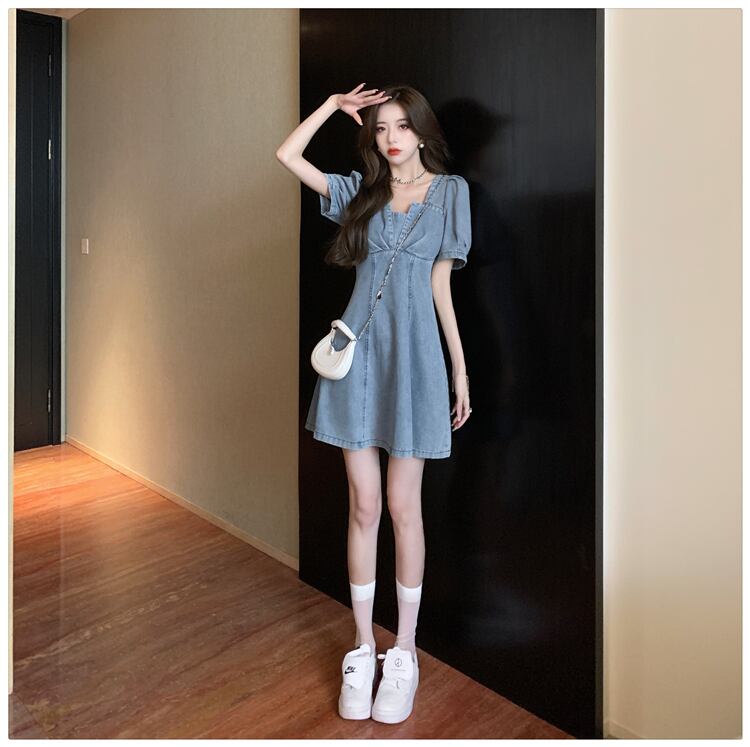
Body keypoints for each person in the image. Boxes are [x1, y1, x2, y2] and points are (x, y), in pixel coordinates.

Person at [276, 83, 472, 724]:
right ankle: (362, 646)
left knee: (402, 506)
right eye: (381, 127)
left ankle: (404, 651)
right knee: (363, 505)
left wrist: (459, 368)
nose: (391, 138)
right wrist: (332, 108)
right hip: (357, 361)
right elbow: (287, 156)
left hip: (415, 363)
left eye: (402, 126)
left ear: (422, 131)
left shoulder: (450, 193)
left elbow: (441, 286)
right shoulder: (360, 195)